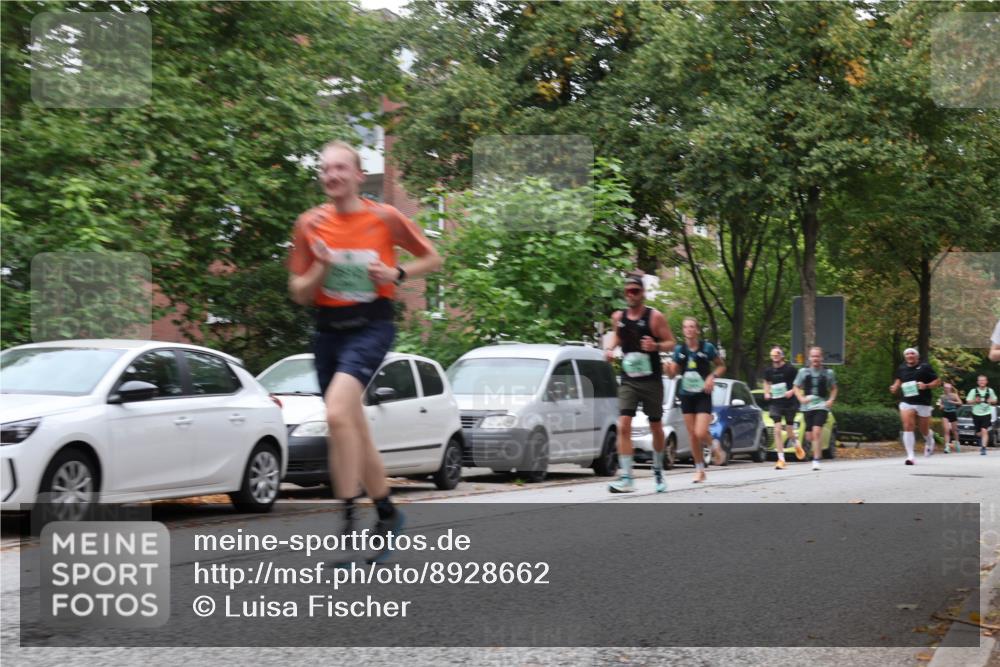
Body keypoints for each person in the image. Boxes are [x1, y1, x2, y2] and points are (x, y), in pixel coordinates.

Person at [287, 140, 442, 549]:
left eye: (341, 168)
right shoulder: (309, 224)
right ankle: (388, 513)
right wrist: (321, 266)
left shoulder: (385, 218)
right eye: (325, 169)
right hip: (328, 329)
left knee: (338, 413)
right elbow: (299, 292)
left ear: (358, 175)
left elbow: (432, 258)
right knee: (352, 425)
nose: (332, 175)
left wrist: (396, 273)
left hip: (372, 325)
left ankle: (348, 526)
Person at [605, 275, 676, 493]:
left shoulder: (655, 317)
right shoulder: (619, 317)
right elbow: (618, 336)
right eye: (628, 291)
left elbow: (671, 343)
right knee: (623, 424)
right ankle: (627, 477)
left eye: (635, 291)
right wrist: (610, 349)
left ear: (643, 293)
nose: (631, 294)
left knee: (655, 426)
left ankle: (657, 469)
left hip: (651, 380)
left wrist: (655, 346)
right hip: (628, 380)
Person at [665, 317, 725, 483]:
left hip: (703, 394)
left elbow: (721, 365)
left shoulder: (707, 347)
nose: (689, 330)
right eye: (686, 327)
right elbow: (672, 375)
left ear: (697, 330)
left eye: (692, 327)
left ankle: (714, 446)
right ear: (683, 331)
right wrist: (667, 368)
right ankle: (700, 470)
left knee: (700, 432)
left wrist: (712, 377)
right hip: (686, 395)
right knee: (692, 435)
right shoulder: (680, 350)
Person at [889, 347, 941, 463]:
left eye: (912, 353)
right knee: (908, 426)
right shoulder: (902, 367)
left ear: (917, 356)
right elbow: (899, 379)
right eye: (907, 354)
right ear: (905, 357)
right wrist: (895, 386)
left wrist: (926, 386)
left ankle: (929, 440)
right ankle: (910, 456)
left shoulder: (925, 367)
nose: (910, 355)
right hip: (907, 401)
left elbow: (937, 381)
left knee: (923, 429)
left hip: (923, 401)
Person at [793, 346, 838, 471]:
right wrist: (801, 398)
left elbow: (834, 388)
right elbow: (796, 387)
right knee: (809, 436)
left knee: (817, 431)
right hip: (807, 406)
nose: (815, 359)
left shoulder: (828, 373)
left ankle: (816, 460)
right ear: (809, 358)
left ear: (821, 358)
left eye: (817, 356)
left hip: (821, 406)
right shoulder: (803, 372)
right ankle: (817, 452)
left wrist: (831, 400)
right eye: (813, 356)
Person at [762, 346, 803, 469]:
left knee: (789, 430)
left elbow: (799, 384)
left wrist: (791, 391)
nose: (775, 357)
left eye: (777, 355)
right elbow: (766, 382)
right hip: (776, 403)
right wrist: (766, 392)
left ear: (782, 356)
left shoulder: (790, 369)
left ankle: (796, 444)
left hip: (790, 402)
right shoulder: (768, 371)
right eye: (773, 355)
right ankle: (781, 459)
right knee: (777, 429)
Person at [965, 375, 997, 455]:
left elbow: (995, 400)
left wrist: (991, 401)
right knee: (979, 433)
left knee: (984, 430)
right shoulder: (973, 391)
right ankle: (981, 438)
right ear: (978, 382)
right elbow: (968, 401)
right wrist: (974, 401)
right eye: (980, 380)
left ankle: (983, 448)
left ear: (986, 381)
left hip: (986, 413)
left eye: (983, 380)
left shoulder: (990, 391)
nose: (982, 382)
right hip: (976, 414)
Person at [938, 382, 962, 453]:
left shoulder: (954, 395)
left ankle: (957, 444)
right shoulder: (942, 396)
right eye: (945, 388)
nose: (946, 389)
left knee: (954, 430)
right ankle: (947, 447)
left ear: (950, 388)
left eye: (947, 388)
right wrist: (941, 407)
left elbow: (960, 403)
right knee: (946, 430)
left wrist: (953, 402)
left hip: (953, 413)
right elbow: (940, 406)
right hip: (945, 413)